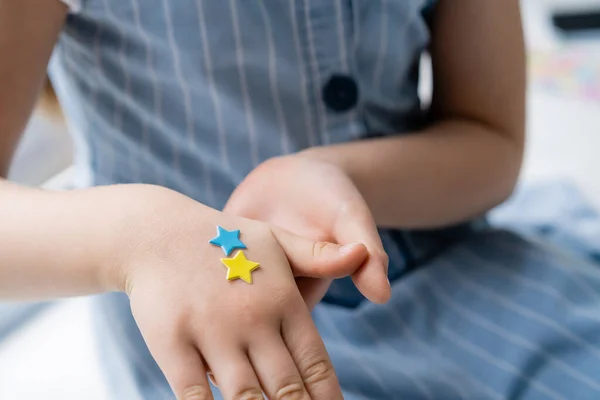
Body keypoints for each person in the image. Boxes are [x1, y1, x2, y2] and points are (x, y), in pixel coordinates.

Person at [1, 0, 600, 399]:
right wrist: (134, 237)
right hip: (218, 354)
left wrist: (337, 172)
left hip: (467, 276)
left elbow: (489, 137)